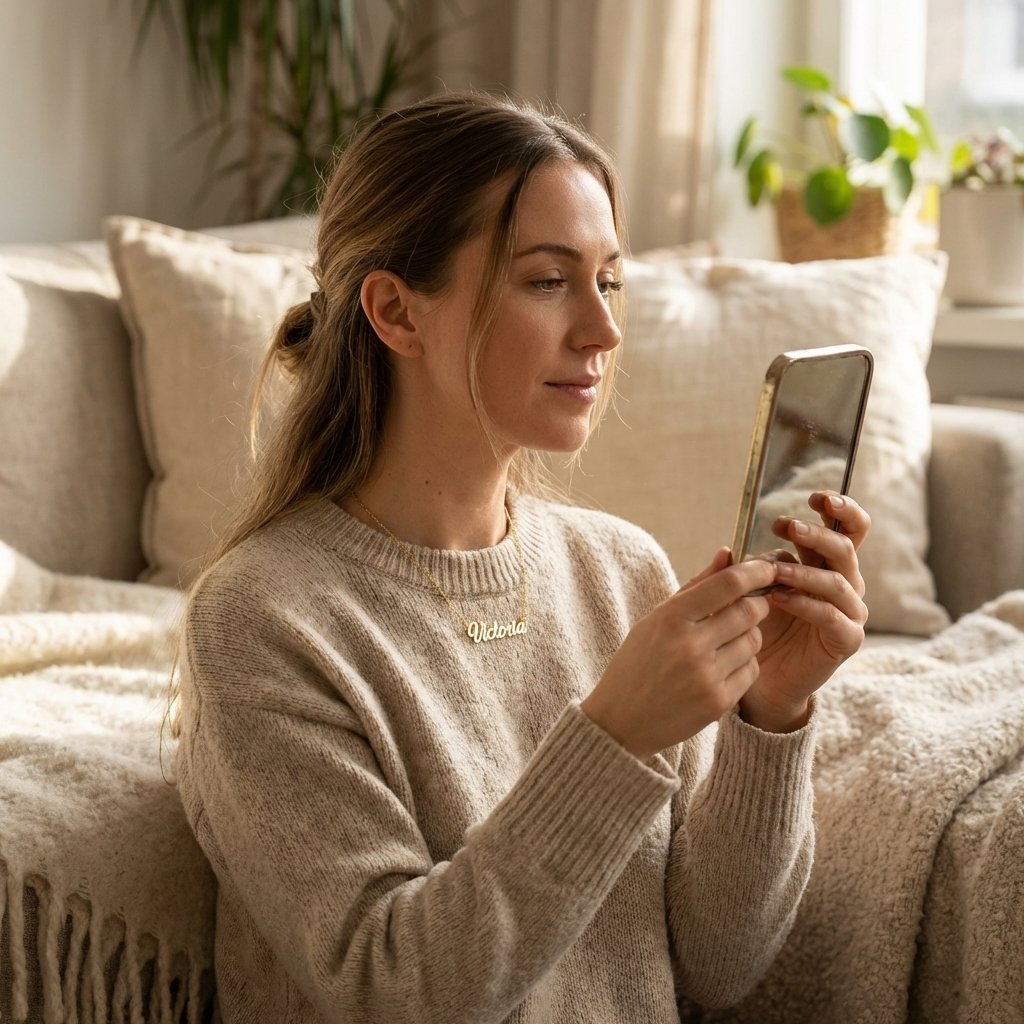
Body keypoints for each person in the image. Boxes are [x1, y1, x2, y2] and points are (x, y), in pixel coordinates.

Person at [173, 91, 870, 1024]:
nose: (603, 329)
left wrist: (770, 716)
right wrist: (612, 737)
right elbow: (395, 989)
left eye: (609, 281)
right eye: (548, 281)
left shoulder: (621, 571)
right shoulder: (264, 618)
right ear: (395, 311)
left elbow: (713, 965)